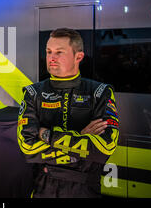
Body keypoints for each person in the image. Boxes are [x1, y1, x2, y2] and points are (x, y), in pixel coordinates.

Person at [17, 28, 119, 197]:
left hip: (85, 188)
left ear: (78, 57)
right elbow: (27, 148)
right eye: (49, 52)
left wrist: (47, 136)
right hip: (44, 186)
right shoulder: (32, 93)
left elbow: (104, 148)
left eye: (59, 52)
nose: (51, 58)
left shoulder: (100, 92)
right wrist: (81, 137)